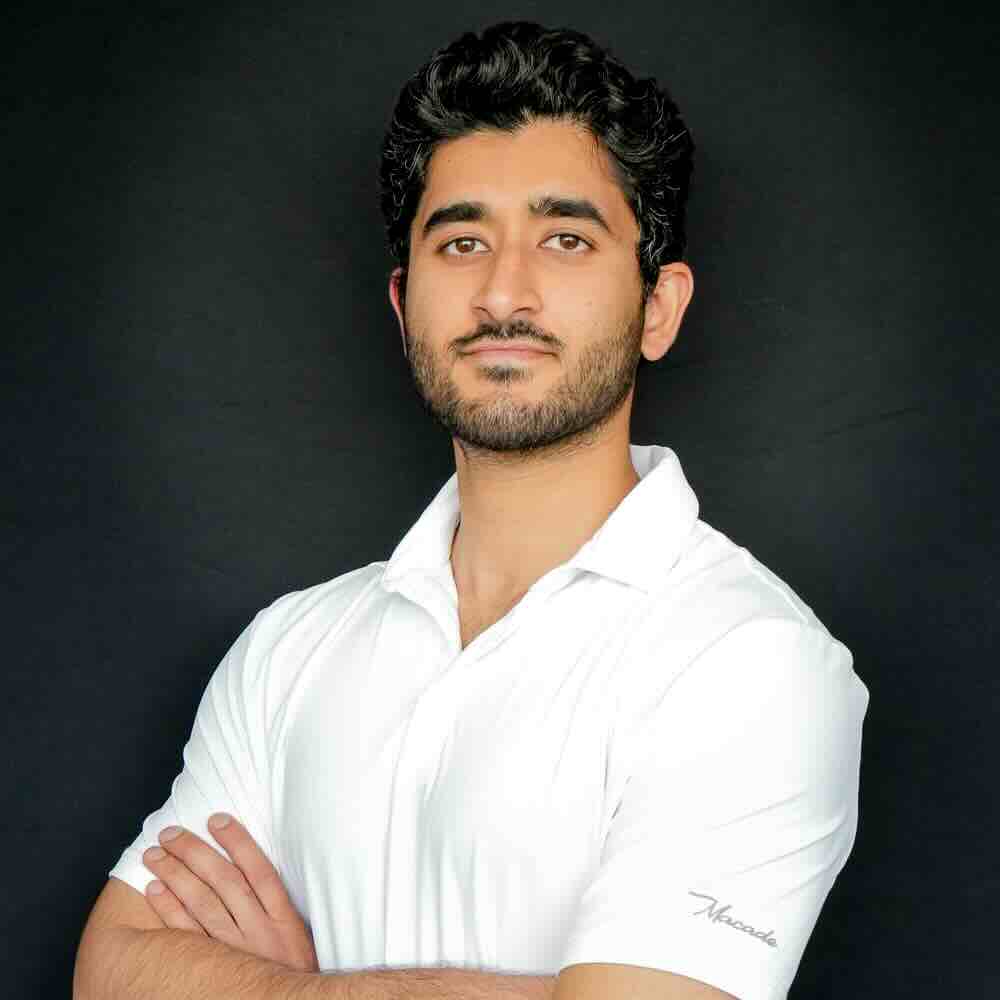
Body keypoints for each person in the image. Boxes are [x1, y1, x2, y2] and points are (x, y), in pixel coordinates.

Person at [74, 20, 870, 1000]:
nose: (503, 292)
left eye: (566, 239)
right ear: (403, 303)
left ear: (657, 308)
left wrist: (288, 986)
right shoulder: (288, 650)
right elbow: (110, 971)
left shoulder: (748, 659)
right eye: (462, 241)